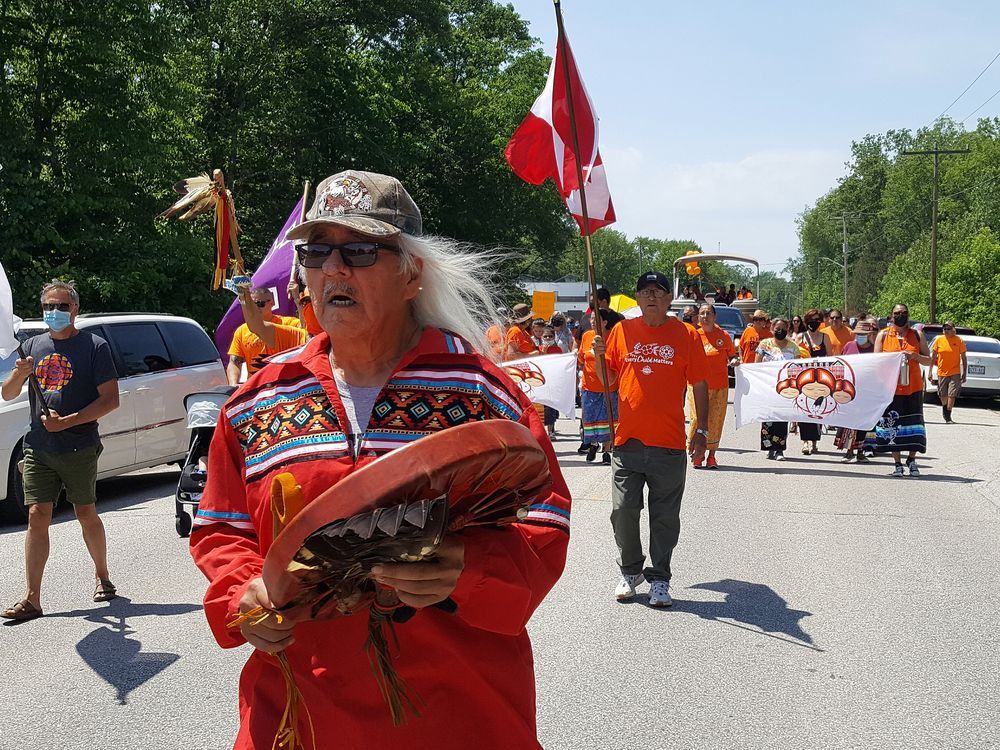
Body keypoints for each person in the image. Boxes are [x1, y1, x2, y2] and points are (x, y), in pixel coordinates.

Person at [190, 169, 571, 748]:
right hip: (298, 717)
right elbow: (222, 528)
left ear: (411, 272)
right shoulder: (257, 400)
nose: (333, 270)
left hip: (456, 717)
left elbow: (544, 523)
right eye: (316, 252)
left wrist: (467, 564)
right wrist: (244, 592)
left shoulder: (482, 394)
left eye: (361, 251)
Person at [1, 280, 120, 621]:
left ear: (75, 310)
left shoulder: (94, 347)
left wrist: (68, 421)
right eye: (48, 307)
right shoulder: (32, 345)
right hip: (39, 445)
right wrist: (18, 375)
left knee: (85, 512)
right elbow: (9, 393)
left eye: (61, 307)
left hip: (79, 445)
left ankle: (102, 574)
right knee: (38, 515)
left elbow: (110, 400)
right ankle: (32, 598)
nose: (54, 313)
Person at [592, 271, 708, 608]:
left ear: (669, 299)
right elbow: (608, 379)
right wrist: (599, 356)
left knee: (665, 517)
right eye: (645, 292)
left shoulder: (686, 334)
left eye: (658, 291)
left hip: (669, 442)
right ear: (637, 298)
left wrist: (701, 430)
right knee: (622, 510)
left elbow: (699, 383)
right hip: (627, 440)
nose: (651, 297)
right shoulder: (621, 332)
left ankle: (660, 578)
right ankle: (631, 570)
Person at [874, 303, 931, 477]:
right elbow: (875, 362)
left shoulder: (916, 334)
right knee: (893, 426)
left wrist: (915, 356)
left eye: (904, 313)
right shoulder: (883, 336)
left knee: (914, 426)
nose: (901, 316)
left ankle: (912, 460)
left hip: (913, 387)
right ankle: (897, 463)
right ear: (891, 316)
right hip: (891, 389)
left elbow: (929, 361)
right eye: (897, 313)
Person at [689, 304, 737, 468]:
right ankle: (697, 452)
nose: (705, 316)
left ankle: (711, 456)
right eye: (702, 313)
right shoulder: (694, 335)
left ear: (714, 316)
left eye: (708, 313)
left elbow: (732, 355)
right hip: (696, 385)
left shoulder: (723, 336)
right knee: (696, 419)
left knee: (715, 420)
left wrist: (734, 361)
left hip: (719, 386)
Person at [227, 287, 305, 385]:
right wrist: (233, 385)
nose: (256, 308)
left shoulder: (288, 324)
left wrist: (298, 300)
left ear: (272, 303)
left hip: (284, 385)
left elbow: (306, 330)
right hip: (256, 388)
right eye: (252, 305)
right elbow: (234, 362)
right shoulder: (241, 331)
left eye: (260, 304)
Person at [755, 317, 807, 460]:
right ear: (772, 329)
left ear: (788, 330)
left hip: (785, 388)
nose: (780, 331)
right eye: (777, 329)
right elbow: (756, 365)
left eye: (783, 329)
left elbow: (797, 368)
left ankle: (779, 450)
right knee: (768, 419)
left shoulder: (793, 346)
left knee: (782, 419)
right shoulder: (764, 345)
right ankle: (768, 447)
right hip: (768, 387)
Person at [578, 309, 620, 464]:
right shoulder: (586, 336)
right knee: (590, 419)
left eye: (597, 319)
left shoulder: (612, 337)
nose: (593, 322)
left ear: (605, 322)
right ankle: (593, 444)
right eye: (591, 319)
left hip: (608, 386)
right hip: (589, 387)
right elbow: (581, 358)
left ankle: (607, 450)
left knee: (608, 419)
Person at [836, 318, 878, 462]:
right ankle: (848, 451)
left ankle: (861, 450)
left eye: (863, 334)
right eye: (858, 333)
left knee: (864, 421)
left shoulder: (874, 349)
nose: (860, 336)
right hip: (849, 389)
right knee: (849, 421)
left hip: (867, 390)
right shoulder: (849, 346)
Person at [793, 308, 834, 455]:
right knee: (805, 410)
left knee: (817, 410)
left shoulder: (825, 337)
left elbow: (831, 358)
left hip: (821, 379)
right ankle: (805, 442)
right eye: (811, 320)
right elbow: (794, 358)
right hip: (804, 379)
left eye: (817, 320)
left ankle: (815, 442)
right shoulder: (799, 338)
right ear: (806, 321)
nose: (814, 323)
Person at [931, 321, 967, 424]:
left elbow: (964, 358)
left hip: (955, 371)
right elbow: (933, 357)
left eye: (949, 329)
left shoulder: (959, 340)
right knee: (943, 394)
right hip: (942, 371)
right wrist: (929, 372)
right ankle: (945, 408)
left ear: (953, 330)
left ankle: (948, 415)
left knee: (952, 394)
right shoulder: (939, 340)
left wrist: (965, 373)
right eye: (945, 329)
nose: (946, 331)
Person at [539, 325, 563, 437]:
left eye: (550, 336)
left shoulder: (557, 349)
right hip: (541, 381)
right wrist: (543, 352)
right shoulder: (538, 349)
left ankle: (550, 430)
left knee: (551, 407)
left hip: (553, 381)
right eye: (545, 336)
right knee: (542, 406)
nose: (548, 338)